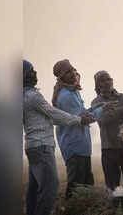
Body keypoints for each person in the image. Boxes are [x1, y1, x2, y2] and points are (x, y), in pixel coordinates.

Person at [23, 60, 94, 215]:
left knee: (34, 189)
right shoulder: (33, 96)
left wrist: (84, 116)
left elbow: (52, 117)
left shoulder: (25, 96)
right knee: (51, 186)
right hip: (44, 146)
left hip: (35, 145)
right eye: (31, 71)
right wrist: (79, 119)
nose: (35, 73)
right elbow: (55, 115)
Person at [52, 59, 99, 199]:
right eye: (67, 72)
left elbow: (83, 113)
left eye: (73, 69)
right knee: (76, 186)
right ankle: (71, 209)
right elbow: (82, 120)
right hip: (74, 145)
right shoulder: (66, 95)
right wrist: (101, 111)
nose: (72, 73)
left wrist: (98, 108)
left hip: (81, 144)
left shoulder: (72, 91)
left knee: (86, 183)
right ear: (61, 76)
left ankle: (83, 209)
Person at [91, 70, 123, 194]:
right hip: (109, 148)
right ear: (98, 85)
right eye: (102, 80)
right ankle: (114, 208)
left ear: (112, 81)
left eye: (108, 79)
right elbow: (103, 119)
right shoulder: (96, 102)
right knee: (112, 187)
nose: (106, 82)